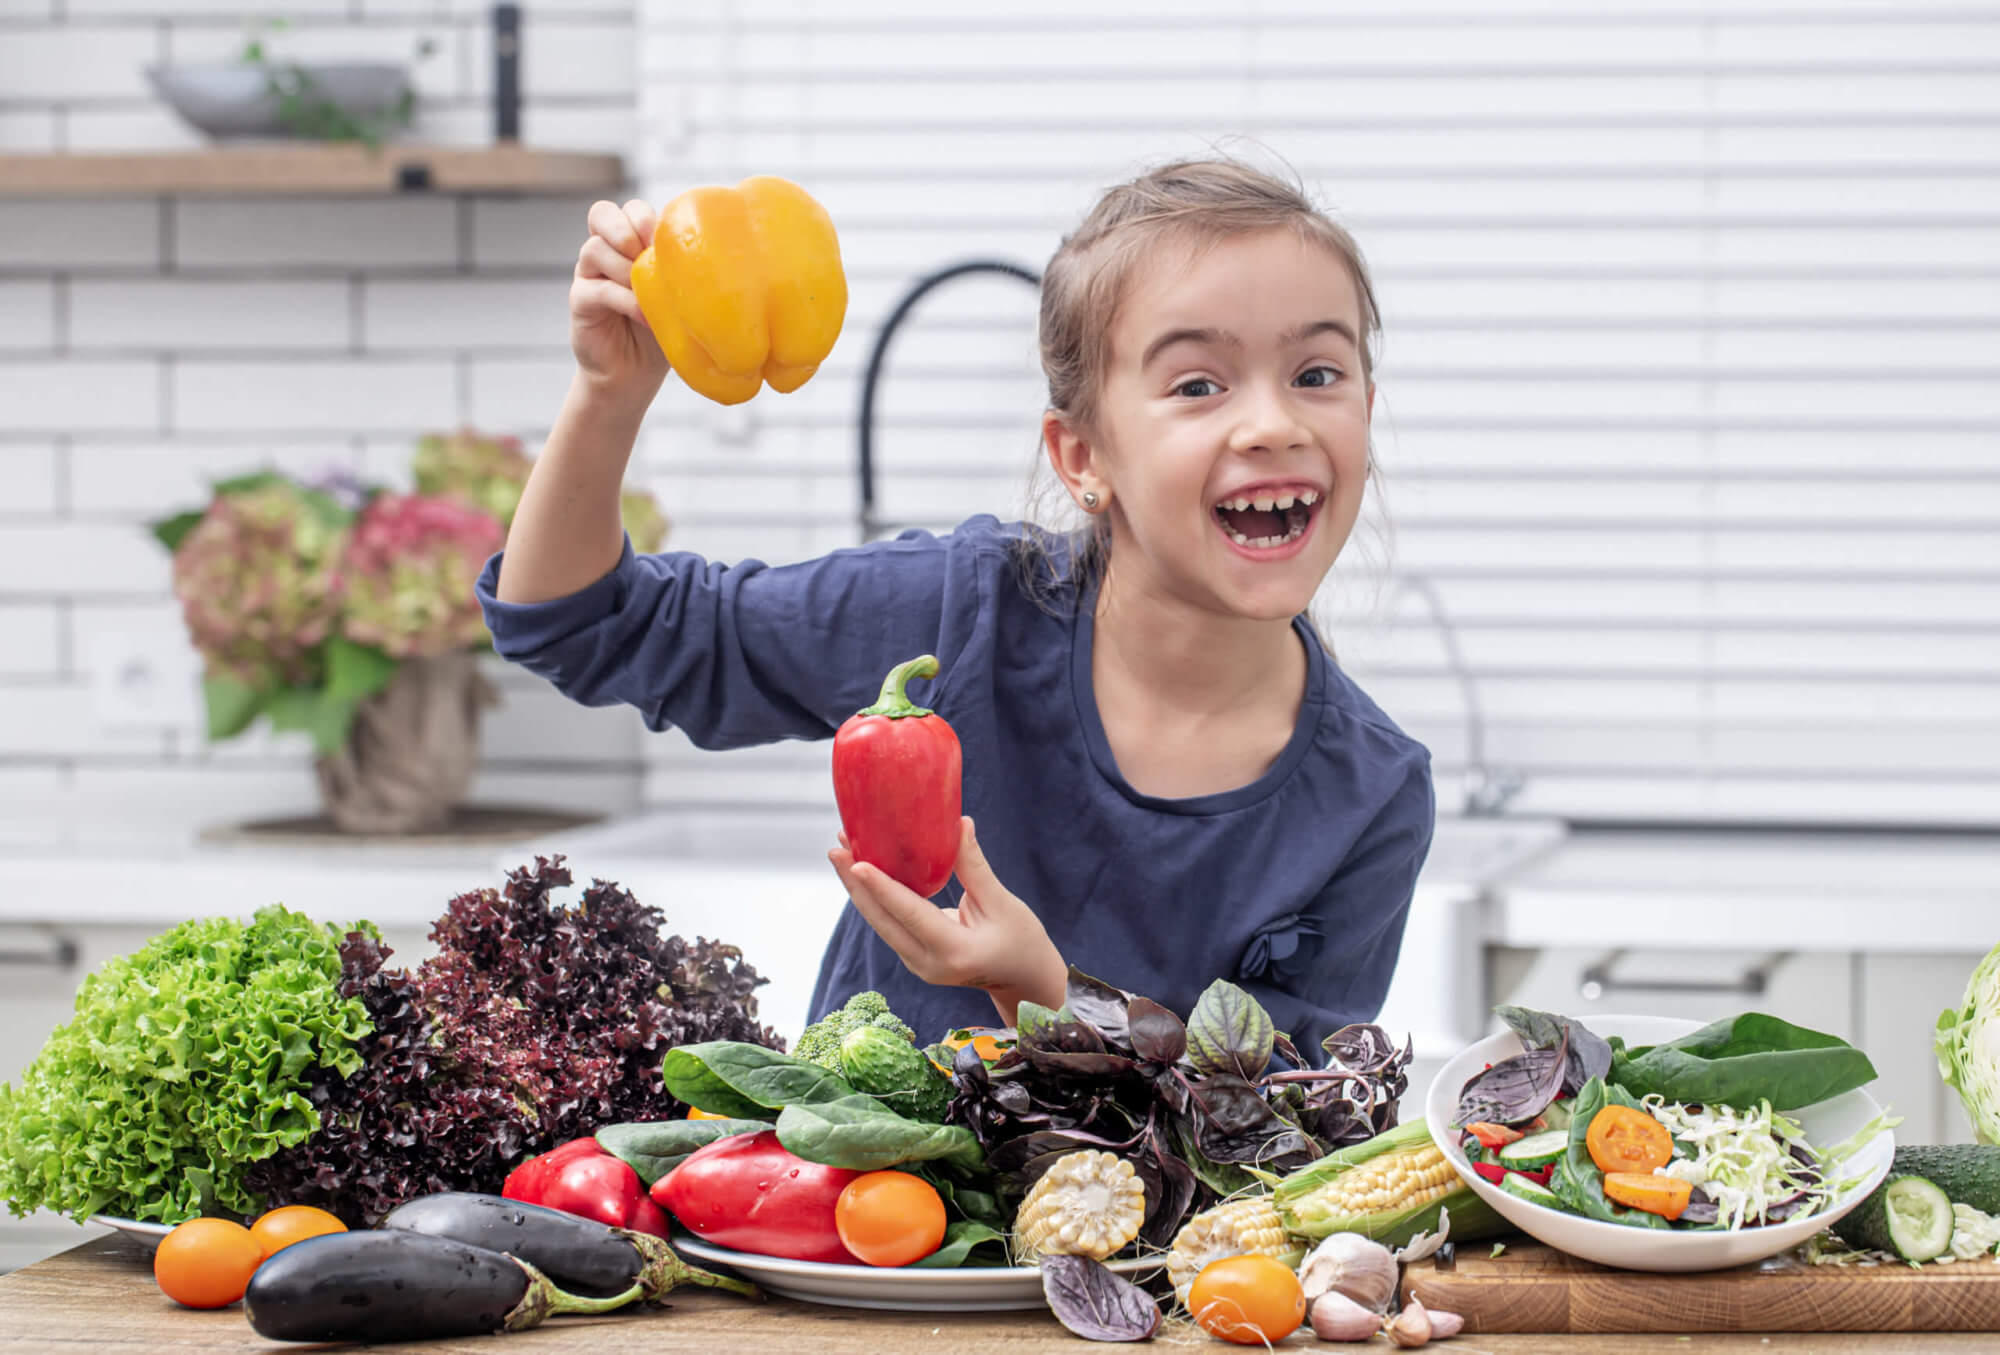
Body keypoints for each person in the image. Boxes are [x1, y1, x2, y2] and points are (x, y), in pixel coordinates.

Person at [477, 156, 1434, 1060]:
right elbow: (574, 621)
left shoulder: (1372, 797)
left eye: (1318, 373)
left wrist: (1043, 995)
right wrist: (611, 393)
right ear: (1081, 457)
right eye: (1198, 384)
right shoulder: (960, 615)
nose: (1274, 422)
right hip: (850, 1227)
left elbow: (1283, 1141)